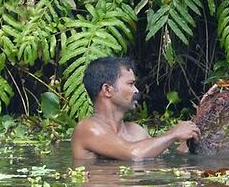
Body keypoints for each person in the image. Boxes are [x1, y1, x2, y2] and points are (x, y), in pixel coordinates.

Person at [71, 57, 200, 160]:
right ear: (107, 90)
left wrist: (190, 139)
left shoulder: (135, 131)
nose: (136, 90)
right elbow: (134, 154)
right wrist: (173, 133)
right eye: (130, 84)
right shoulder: (87, 128)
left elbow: (164, 157)